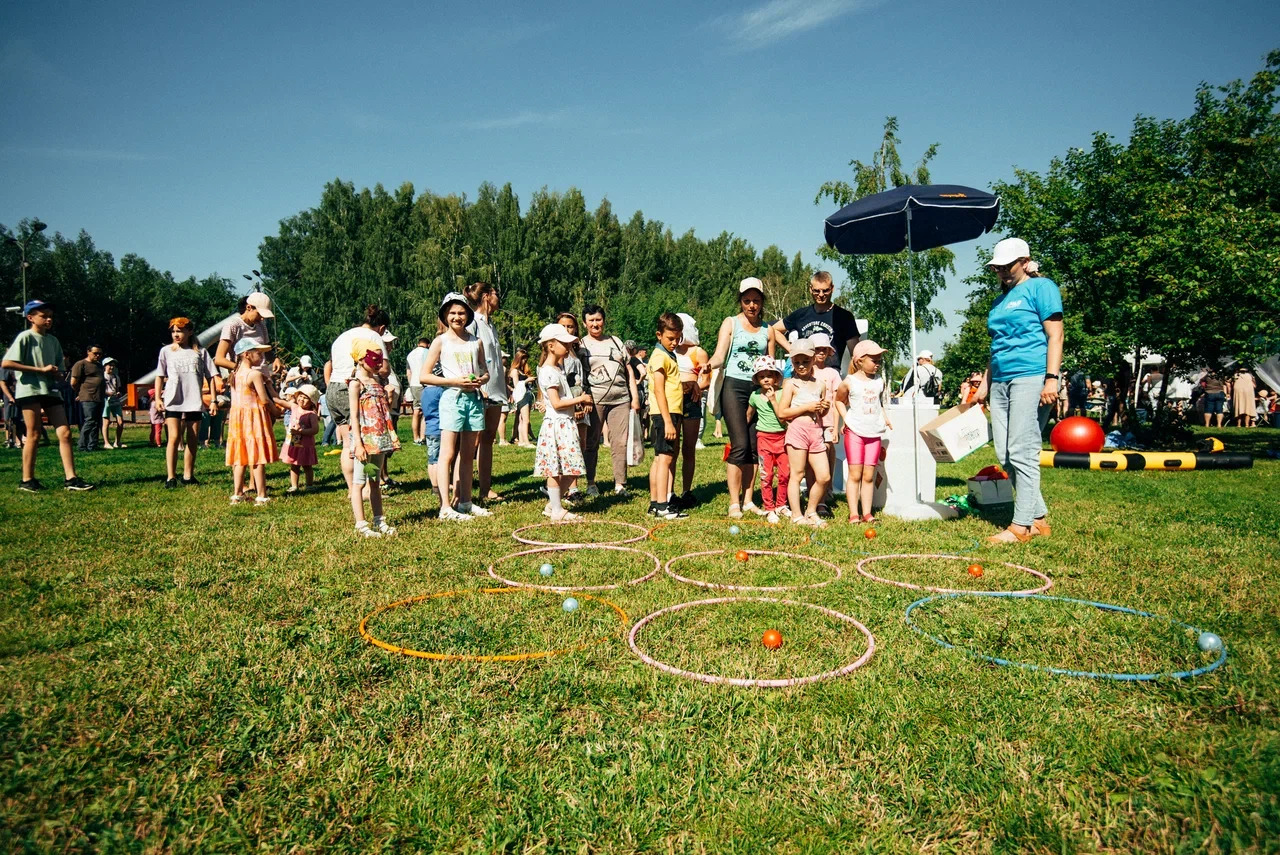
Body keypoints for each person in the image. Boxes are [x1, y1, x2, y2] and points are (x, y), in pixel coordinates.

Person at [972, 238, 1063, 544]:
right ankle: (1038, 517)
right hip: (1000, 379)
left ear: (1024, 261)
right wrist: (985, 382)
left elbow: (1055, 335)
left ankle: (1021, 526)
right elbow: (995, 345)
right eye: (997, 268)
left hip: (1032, 375)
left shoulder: (1042, 288)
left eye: (1007, 266)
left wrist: (1051, 379)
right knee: (1004, 452)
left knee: (1022, 451)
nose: (1002, 273)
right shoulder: (999, 302)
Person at [1, 301, 94, 491]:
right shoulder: (25, 337)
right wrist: (39, 370)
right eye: (43, 315)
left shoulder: (53, 341)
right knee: (33, 434)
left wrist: (57, 374)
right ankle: (27, 480)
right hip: (30, 390)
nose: (49, 319)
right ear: (30, 318)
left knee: (65, 432)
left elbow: (60, 370)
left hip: (50, 390)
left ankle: (71, 478)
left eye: (50, 315)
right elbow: (7, 363)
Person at [420, 293, 490, 522]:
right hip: (452, 399)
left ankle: (465, 501)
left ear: (468, 315)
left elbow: (484, 370)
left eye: (461, 313)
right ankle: (444, 507)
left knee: (468, 454)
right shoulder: (440, 341)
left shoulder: (475, 341)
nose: (457, 317)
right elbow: (425, 376)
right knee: (447, 454)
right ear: (445, 316)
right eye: (452, 313)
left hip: (474, 400)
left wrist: (481, 380)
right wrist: (454, 382)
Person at [708, 278, 774, 519]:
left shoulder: (769, 330)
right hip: (734, 387)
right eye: (747, 301)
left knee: (755, 449)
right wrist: (708, 365)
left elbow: (771, 367)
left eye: (756, 301)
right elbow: (719, 355)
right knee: (740, 445)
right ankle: (734, 502)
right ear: (741, 301)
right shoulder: (731, 323)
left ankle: (748, 500)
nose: (752, 306)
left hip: (758, 391)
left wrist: (768, 392)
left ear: (762, 302)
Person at [325, 306, 398, 491]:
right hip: (354, 388)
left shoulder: (343, 336)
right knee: (366, 443)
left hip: (333, 389)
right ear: (382, 328)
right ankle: (366, 488)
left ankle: (353, 489)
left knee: (348, 443)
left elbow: (331, 364)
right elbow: (384, 368)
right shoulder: (373, 337)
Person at [580, 305, 639, 497]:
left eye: (598, 319)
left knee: (620, 442)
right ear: (584, 323)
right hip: (595, 400)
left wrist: (634, 396)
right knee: (591, 442)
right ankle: (590, 483)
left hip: (621, 398)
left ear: (604, 320)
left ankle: (620, 484)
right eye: (591, 320)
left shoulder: (615, 341)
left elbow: (629, 369)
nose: (595, 324)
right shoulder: (580, 345)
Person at [534, 323, 590, 522]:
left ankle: (553, 505)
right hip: (557, 425)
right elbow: (556, 403)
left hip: (566, 423)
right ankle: (557, 511)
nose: (568, 347)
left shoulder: (558, 369)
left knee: (572, 466)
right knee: (555, 468)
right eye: (564, 343)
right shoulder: (548, 371)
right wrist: (581, 399)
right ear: (550, 346)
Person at [154, 317, 219, 488]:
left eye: (180, 331)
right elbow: (159, 376)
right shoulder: (166, 351)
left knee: (192, 438)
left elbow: (211, 377)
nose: (176, 334)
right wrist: (158, 398)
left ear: (189, 332)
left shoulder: (201, 352)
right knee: (174, 437)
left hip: (193, 400)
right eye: (173, 331)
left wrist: (213, 400)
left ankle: (188, 475)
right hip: (173, 400)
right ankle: (170, 477)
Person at [344, 341, 399, 536]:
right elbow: (354, 416)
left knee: (374, 479)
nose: (378, 363)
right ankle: (361, 524)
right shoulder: (356, 385)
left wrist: (389, 397)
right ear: (360, 359)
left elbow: (384, 411)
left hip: (378, 441)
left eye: (380, 359)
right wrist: (357, 444)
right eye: (373, 359)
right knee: (359, 482)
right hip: (365, 443)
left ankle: (379, 520)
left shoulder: (377, 383)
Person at [776, 339, 832, 528]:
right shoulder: (791, 384)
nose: (801, 366)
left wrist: (824, 408)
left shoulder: (820, 384)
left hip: (815, 431)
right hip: (797, 430)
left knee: (824, 476)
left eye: (805, 361)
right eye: (797, 362)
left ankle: (811, 510)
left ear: (813, 359)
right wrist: (807, 407)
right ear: (792, 362)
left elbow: (821, 413)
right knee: (797, 474)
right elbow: (782, 413)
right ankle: (797, 515)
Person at [836, 340, 893, 524]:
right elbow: (838, 401)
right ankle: (854, 513)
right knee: (855, 474)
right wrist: (846, 419)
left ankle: (867, 513)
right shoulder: (849, 382)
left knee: (869, 475)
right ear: (859, 361)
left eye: (879, 360)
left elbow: (878, 403)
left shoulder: (879, 381)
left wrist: (884, 417)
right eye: (874, 360)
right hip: (855, 432)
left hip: (873, 432)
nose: (877, 363)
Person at [465, 282, 509, 503]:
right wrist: (477, 385)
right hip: (480, 389)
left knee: (488, 438)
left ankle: (485, 489)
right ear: (485, 296)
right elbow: (468, 354)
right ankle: (460, 488)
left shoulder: (491, 325)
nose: (498, 298)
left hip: (495, 389)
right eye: (495, 294)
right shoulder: (472, 322)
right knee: (471, 440)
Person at [225, 340, 280, 505]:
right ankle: (261, 495)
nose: (262, 356)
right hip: (253, 418)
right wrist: (275, 410)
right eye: (258, 352)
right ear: (246, 354)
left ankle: (237, 494)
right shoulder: (254, 374)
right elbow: (263, 399)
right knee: (257, 456)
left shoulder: (234, 374)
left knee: (240, 457)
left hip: (237, 419)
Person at [771, 271, 860, 370]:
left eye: (825, 290)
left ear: (832, 288)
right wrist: (793, 350)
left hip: (831, 376)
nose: (821, 295)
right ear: (810, 289)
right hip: (804, 374)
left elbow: (856, 352)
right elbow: (773, 330)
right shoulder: (801, 314)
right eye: (817, 291)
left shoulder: (844, 316)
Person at [647, 312, 687, 520]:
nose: (674, 342)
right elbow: (659, 390)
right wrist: (669, 422)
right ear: (659, 335)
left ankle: (655, 503)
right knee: (665, 459)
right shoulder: (660, 357)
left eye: (677, 338)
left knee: (659, 459)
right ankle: (663, 505)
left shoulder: (667, 355)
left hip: (669, 413)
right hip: (666, 414)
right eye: (670, 338)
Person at [670, 313, 710, 510]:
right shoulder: (669, 350)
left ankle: (686, 490)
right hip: (674, 401)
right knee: (672, 448)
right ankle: (669, 491)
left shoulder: (698, 352)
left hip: (692, 401)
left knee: (689, 448)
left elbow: (706, 378)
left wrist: (696, 387)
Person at [746, 356, 789, 524]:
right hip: (764, 438)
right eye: (762, 376)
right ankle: (769, 507)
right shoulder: (754, 396)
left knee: (785, 474)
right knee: (767, 475)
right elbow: (749, 414)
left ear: (776, 377)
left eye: (769, 375)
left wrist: (772, 400)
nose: (766, 379)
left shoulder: (781, 394)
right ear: (757, 379)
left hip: (782, 437)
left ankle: (781, 505)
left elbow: (782, 419)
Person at [809, 333, 843, 519]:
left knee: (828, 455)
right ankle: (813, 492)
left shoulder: (832, 373)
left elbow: (837, 401)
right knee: (810, 460)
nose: (820, 353)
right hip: (809, 424)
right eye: (817, 349)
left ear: (829, 352)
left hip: (828, 423)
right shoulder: (806, 371)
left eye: (824, 349)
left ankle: (824, 494)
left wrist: (836, 427)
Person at [214, 293, 274, 372]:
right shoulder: (233, 325)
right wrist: (242, 369)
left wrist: (275, 359)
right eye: (259, 314)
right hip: (243, 379)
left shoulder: (261, 326)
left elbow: (266, 351)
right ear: (249, 307)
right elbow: (219, 359)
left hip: (262, 378)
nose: (262, 318)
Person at [281, 384, 320, 492]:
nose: (302, 399)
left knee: (307, 465)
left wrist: (301, 432)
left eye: (305, 397)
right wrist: (269, 388)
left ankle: (309, 485)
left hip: (306, 444)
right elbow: (280, 402)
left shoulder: (311, 414)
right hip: (295, 441)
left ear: (312, 401)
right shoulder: (294, 407)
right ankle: (294, 486)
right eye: (300, 396)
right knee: (294, 464)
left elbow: (315, 430)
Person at [69, 343, 106, 452]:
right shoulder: (81, 364)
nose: (98, 355)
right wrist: (80, 393)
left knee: (96, 422)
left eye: (100, 354)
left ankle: (92, 445)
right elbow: (73, 382)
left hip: (99, 397)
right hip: (88, 396)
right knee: (89, 421)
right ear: (88, 352)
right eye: (95, 353)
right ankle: (82, 445)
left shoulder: (99, 365)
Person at [507, 346, 535, 447]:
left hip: (527, 394)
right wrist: (527, 380)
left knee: (522, 419)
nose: (525, 361)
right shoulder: (514, 371)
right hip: (522, 396)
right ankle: (526, 442)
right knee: (525, 420)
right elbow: (516, 385)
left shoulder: (521, 371)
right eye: (523, 359)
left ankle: (522, 441)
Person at [406, 336, 430, 444]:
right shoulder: (427, 352)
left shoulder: (410, 354)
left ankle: (415, 437)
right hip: (424, 383)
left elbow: (408, 372)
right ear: (428, 345)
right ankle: (423, 437)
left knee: (416, 410)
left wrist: (410, 385)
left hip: (414, 384)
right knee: (425, 411)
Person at [101, 357, 126, 449]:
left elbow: (118, 388)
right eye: (109, 365)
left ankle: (117, 442)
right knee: (106, 422)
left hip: (115, 400)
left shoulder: (116, 377)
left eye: (113, 366)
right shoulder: (102, 376)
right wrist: (107, 393)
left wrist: (118, 393)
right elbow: (99, 390)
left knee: (120, 422)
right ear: (104, 366)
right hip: (106, 400)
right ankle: (106, 443)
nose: (111, 367)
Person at [1, 367, 23, 448]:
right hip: (10, 397)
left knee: (18, 419)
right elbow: (2, 383)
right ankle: (10, 440)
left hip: (20, 395)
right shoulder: (5, 368)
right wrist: (10, 397)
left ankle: (17, 440)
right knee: (9, 419)